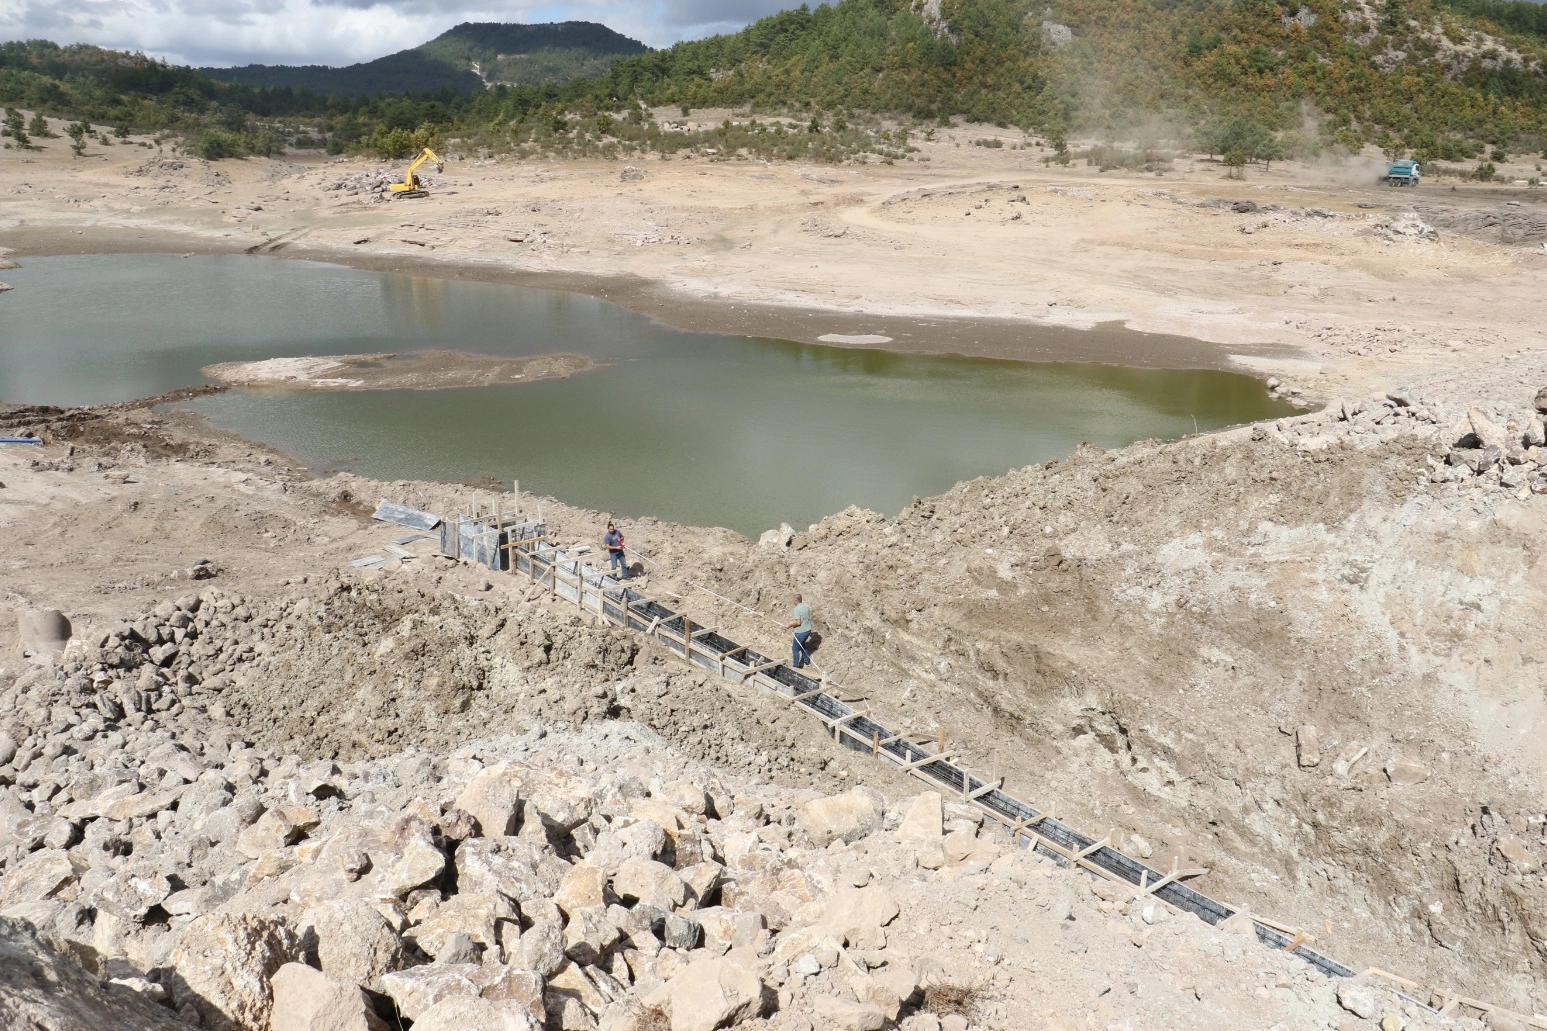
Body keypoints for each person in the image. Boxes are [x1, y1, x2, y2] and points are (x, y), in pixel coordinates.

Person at [786, 592, 813, 669]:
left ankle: (795, 666)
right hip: (808, 630)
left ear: (796, 600)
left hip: (801, 632)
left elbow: (798, 622)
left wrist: (790, 625)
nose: (792, 601)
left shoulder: (797, 609)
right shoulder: (806, 606)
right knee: (802, 645)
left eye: (793, 600)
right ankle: (807, 660)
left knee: (795, 649)